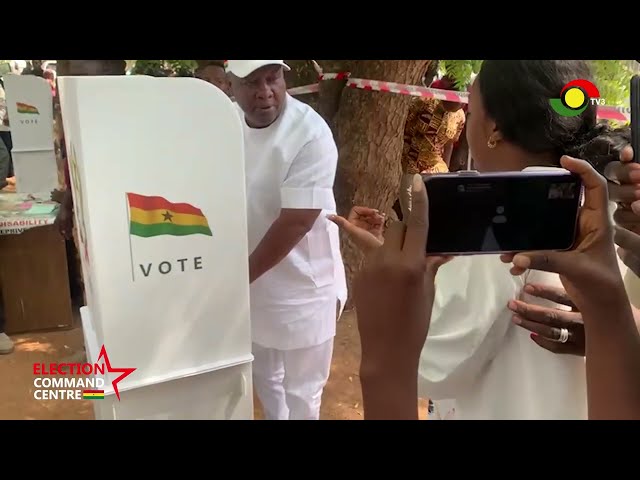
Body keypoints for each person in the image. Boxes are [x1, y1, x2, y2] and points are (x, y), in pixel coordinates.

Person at [336, 60, 630, 420]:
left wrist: (389, 309)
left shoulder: (500, 219)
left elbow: (430, 367)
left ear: (493, 128)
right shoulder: (610, 204)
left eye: (471, 110)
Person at [351, 158, 640, 420]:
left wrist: (385, 362)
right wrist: (609, 315)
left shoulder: (495, 243)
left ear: (493, 131)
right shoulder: (596, 222)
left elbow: (434, 369)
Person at [226, 60, 347, 420]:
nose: (264, 92)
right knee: (266, 379)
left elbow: (296, 222)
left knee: (303, 392)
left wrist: (233, 280)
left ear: (284, 76)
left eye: (272, 78)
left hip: (303, 289)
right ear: (231, 84)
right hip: (252, 284)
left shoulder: (310, 133)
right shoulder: (224, 123)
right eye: (251, 82)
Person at [398, 74, 466, 219]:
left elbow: (450, 144)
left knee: (436, 208)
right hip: (411, 159)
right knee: (410, 212)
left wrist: (446, 172)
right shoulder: (424, 102)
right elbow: (402, 126)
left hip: (434, 164)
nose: (460, 105)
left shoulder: (460, 116)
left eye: (462, 102)